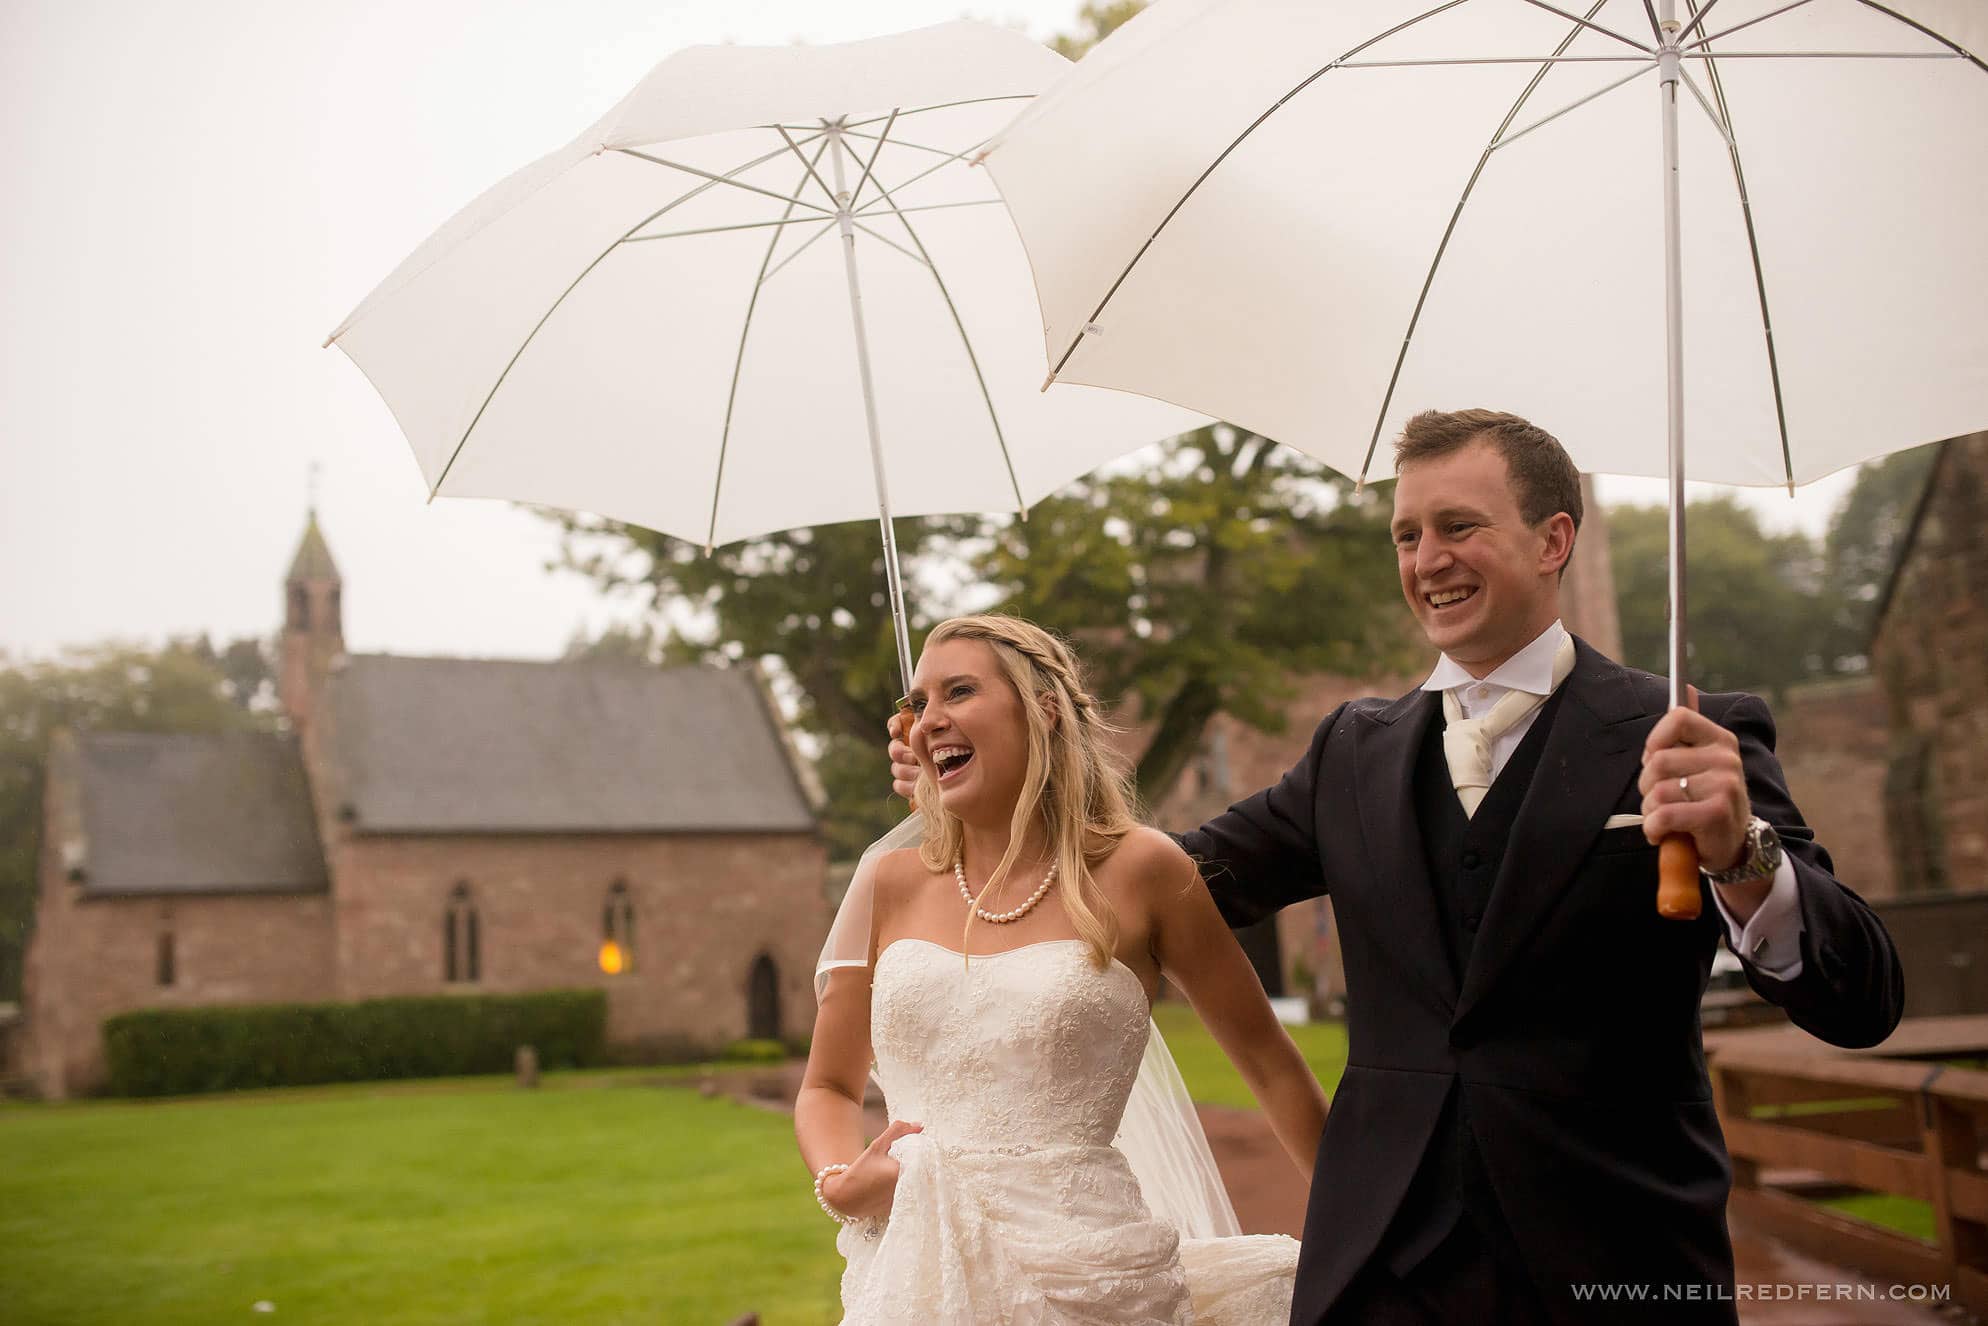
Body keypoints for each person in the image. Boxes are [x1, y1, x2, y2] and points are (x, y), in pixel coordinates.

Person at [890, 409, 1903, 1325]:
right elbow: (1147, 879)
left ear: (1553, 540)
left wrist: (1739, 853)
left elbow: (1858, 996)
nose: (1426, 559)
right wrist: (976, 795)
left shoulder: (1692, 736)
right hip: (1381, 1273)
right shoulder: (1350, 755)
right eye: (1406, 535)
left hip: (1615, 1258)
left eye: (1458, 526)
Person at [800, 613, 1324, 1325]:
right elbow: (828, 1084)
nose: (927, 722)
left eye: (958, 692)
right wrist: (839, 1181)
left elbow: (1271, 1065)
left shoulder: (1145, 871)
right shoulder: (887, 884)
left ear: (1043, 708)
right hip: (915, 1270)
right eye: (919, 704)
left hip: (1096, 1281)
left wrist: (1366, 1229)